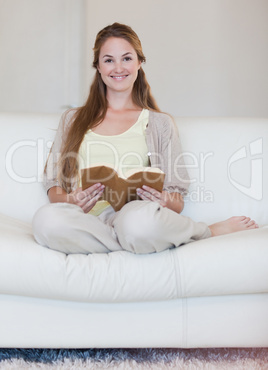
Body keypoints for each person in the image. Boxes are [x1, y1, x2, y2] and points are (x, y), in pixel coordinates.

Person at [32, 22, 258, 255]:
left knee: (138, 223)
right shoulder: (72, 119)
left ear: (139, 62)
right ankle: (133, 242)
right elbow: (53, 184)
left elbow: (176, 200)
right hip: (85, 220)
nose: (118, 67)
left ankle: (194, 231)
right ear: (98, 67)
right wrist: (71, 201)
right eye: (108, 60)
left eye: (127, 58)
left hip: (135, 216)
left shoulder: (160, 124)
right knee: (45, 221)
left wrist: (162, 200)